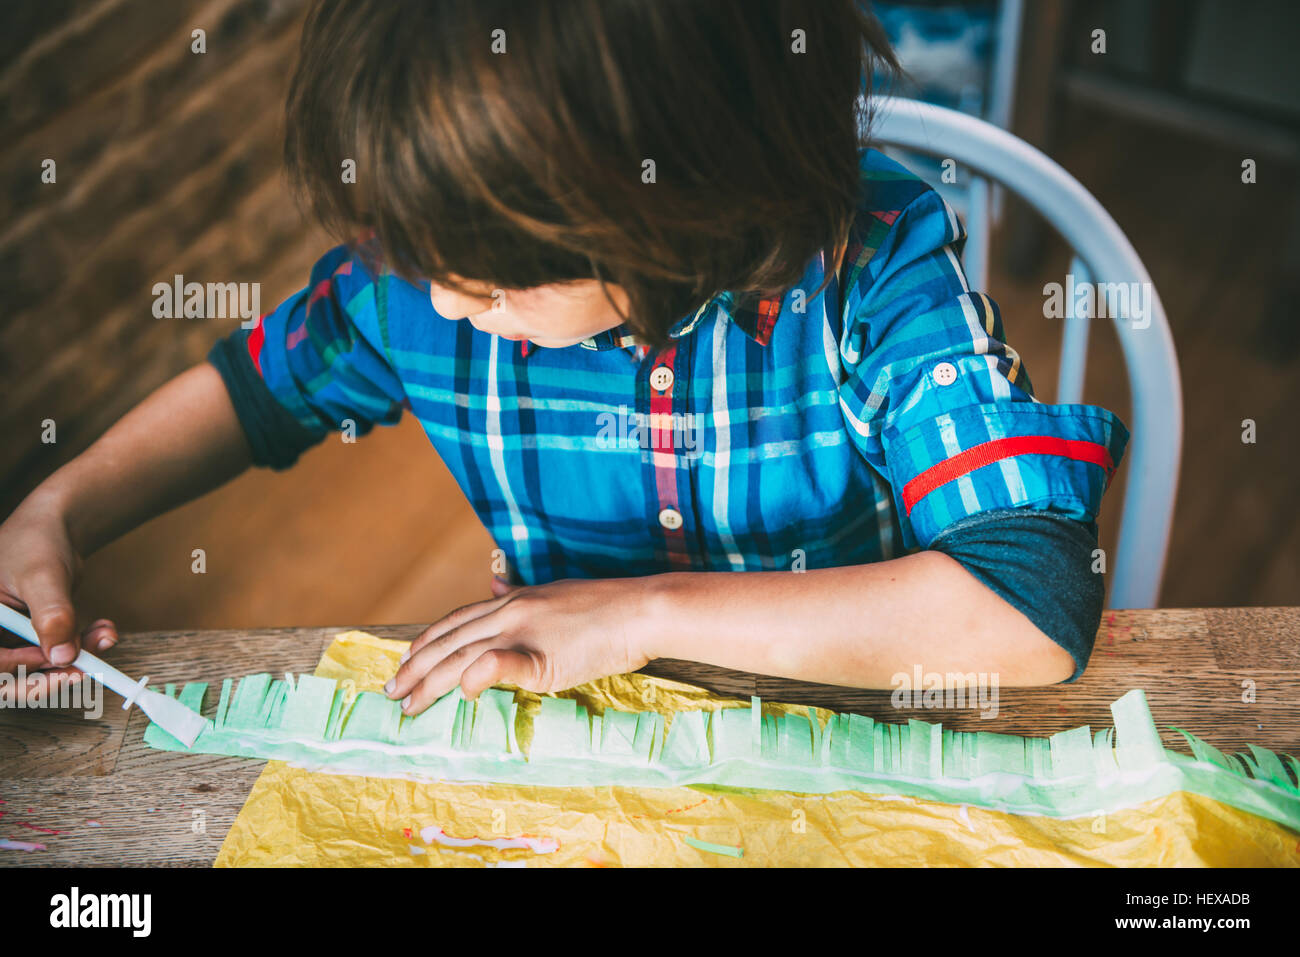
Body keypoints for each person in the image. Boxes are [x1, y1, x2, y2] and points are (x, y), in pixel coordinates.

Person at [0, 0, 1127, 715]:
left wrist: (639, 613)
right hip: (584, 746)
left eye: (498, 279)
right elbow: (253, 393)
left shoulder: (871, 268)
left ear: (689, 202)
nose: (442, 302)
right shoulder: (423, 283)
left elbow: (1028, 600)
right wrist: (57, 512)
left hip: (855, 722)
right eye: (418, 255)